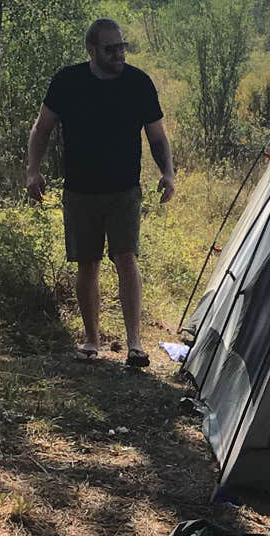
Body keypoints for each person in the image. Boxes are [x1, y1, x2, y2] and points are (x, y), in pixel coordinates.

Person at [26, 19, 176, 365]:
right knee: (88, 263)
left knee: (127, 257)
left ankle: (135, 343)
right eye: (110, 49)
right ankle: (91, 341)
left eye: (122, 47)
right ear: (91, 50)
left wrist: (168, 173)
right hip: (80, 190)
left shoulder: (139, 83)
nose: (118, 54)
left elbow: (157, 136)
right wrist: (33, 170)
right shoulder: (68, 81)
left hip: (125, 189)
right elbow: (42, 128)